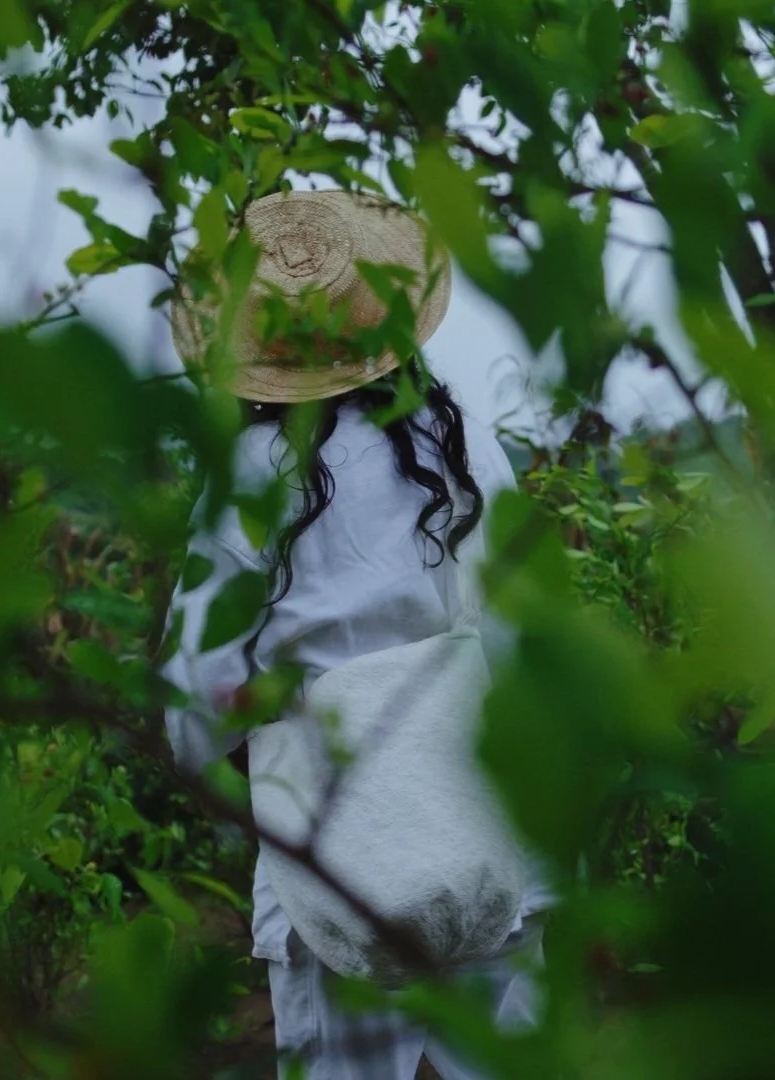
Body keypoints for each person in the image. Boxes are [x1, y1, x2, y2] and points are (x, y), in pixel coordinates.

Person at [160, 190, 552, 1079]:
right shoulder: (463, 448)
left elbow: (193, 704)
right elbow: (520, 642)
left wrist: (255, 722)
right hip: (480, 840)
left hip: (333, 857)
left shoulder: (252, 480)